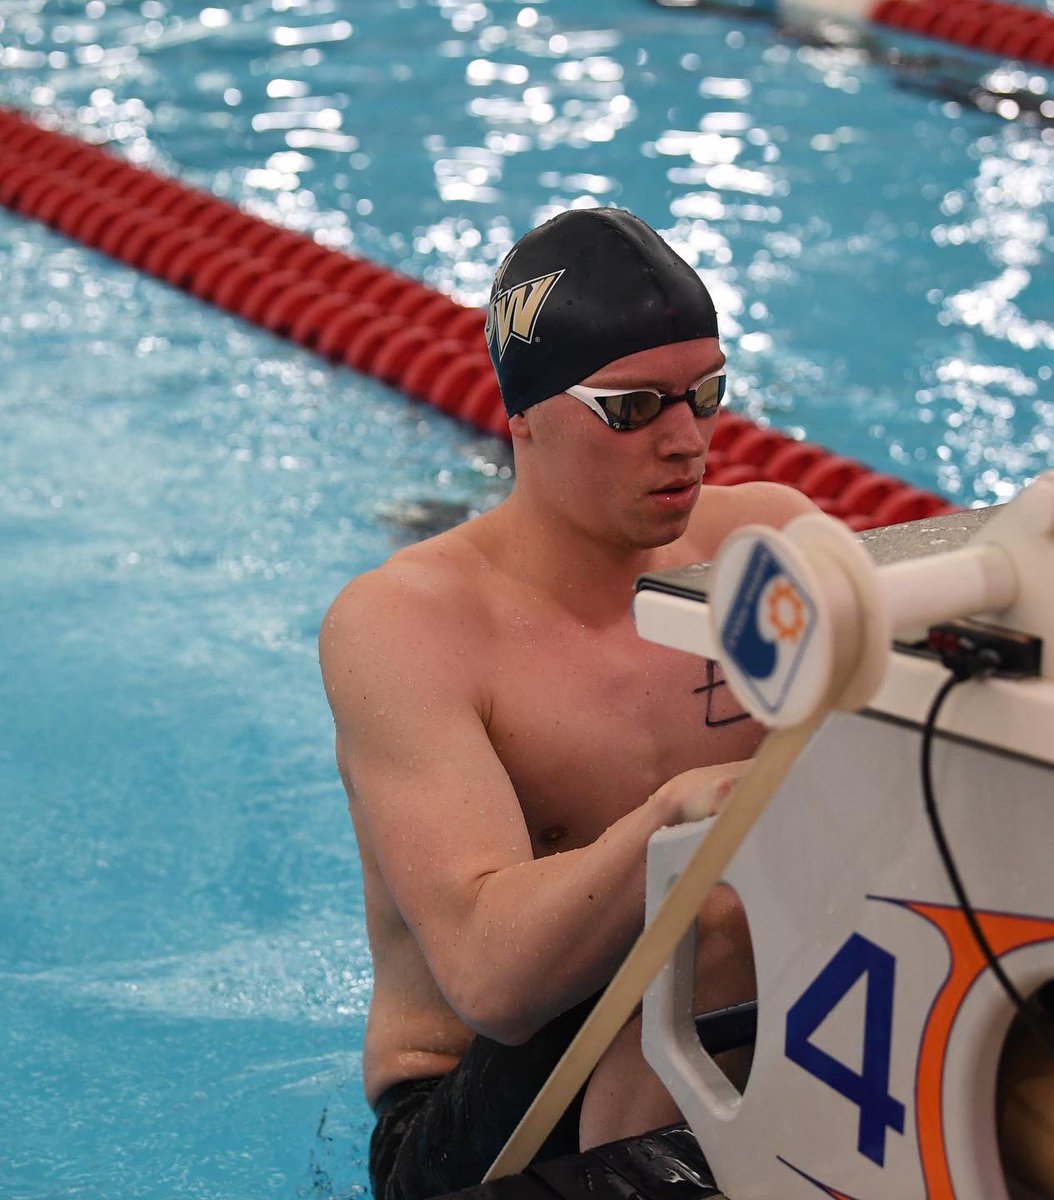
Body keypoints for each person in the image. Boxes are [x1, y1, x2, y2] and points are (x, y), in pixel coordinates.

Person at [319, 207, 816, 1200]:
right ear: (524, 415)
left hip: (733, 1044)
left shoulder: (767, 545)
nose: (686, 442)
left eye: (705, 395)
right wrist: (674, 822)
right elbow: (492, 981)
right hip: (471, 1133)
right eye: (633, 409)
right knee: (705, 917)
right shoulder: (408, 626)